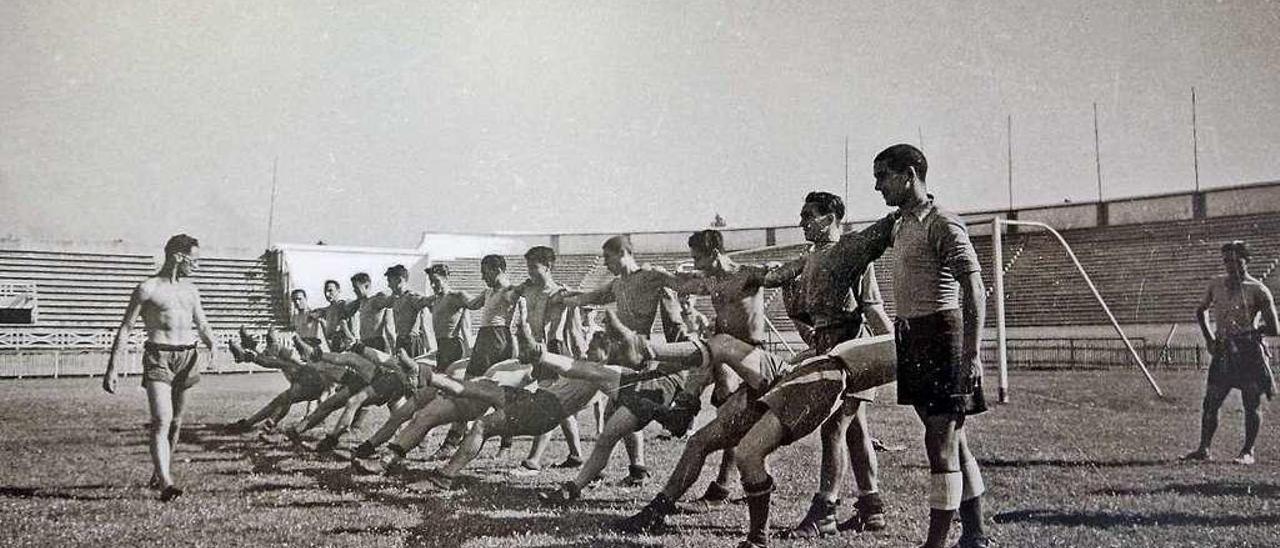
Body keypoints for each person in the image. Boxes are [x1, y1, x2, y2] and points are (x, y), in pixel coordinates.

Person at [875, 143, 990, 548]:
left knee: (939, 442)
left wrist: (972, 355)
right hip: (913, 337)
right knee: (951, 441)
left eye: (883, 176)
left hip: (942, 336)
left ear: (908, 174)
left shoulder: (942, 222)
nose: (877, 186)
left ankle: (936, 544)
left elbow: (975, 289)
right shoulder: (901, 224)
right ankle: (975, 535)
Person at [772, 191, 894, 537]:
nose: (801, 222)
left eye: (808, 216)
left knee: (834, 428)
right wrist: (812, 338)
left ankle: (824, 512)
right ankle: (872, 512)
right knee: (856, 431)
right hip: (827, 349)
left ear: (830, 218)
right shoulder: (809, 259)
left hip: (853, 351)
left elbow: (873, 309)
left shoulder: (853, 256)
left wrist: (898, 351)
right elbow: (798, 313)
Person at [557, 235, 691, 487]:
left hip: (638, 354)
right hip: (620, 355)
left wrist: (680, 277)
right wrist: (565, 298)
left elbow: (682, 285)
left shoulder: (650, 277)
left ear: (622, 253)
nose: (605, 263)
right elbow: (591, 297)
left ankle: (608, 473)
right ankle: (636, 469)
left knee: (620, 416)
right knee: (623, 414)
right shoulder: (617, 285)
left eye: (607, 257)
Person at [102, 234, 216, 501]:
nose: (196, 265)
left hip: (187, 357)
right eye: (194, 260)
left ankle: (159, 473)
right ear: (178, 256)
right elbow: (125, 328)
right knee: (161, 420)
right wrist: (112, 368)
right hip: (158, 357)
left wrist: (213, 345)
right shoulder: (147, 288)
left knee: (176, 423)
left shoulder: (191, 290)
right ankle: (167, 483)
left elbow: (202, 323)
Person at [1183, 240, 1278, 465]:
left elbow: (1275, 327)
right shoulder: (1216, 284)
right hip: (1223, 350)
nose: (1231, 266)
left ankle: (1247, 452)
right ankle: (1203, 449)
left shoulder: (1258, 289)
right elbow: (1201, 311)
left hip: (1248, 353)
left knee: (1251, 402)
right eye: (1227, 261)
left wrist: (1253, 332)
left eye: (1237, 261)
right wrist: (1209, 339)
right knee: (1211, 401)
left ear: (1247, 261)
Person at [511, 246, 588, 473]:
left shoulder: (559, 293)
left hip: (554, 348)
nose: (530, 272)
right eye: (528, 267)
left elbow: (572, 322)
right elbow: (509, 295)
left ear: (548, 266)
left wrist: (580, 351)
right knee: (561, 407)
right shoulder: (529, 289)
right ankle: (576, 456)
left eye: (534, 267)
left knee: (547, 401)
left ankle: (533, 460)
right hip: (536, 350)